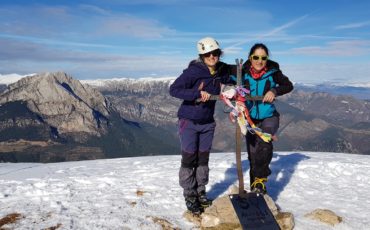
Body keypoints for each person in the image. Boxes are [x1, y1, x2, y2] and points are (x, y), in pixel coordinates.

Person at [169, 37, 231, 214]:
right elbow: (174, 90)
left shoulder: (221, 71)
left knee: (203, 159)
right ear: (202, 55)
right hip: (188, 121)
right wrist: (197, 93)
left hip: (207, 122)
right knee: (189, 159)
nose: (212, 56)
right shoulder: (193, 72)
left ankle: (201, 192)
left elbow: (233, 77)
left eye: (215, 53)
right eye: (208, 54)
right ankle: (189, 194)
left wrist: (231, 89)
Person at [241, 43, 293, 194]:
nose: (259, 61)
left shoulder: (273, 72)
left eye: (263, 58)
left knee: (265, 141)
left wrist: (274, 90)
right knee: (253, 156)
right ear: (250, 58)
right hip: (249, 119)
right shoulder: (242, 72)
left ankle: (260, 183)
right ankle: (255, 190)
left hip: (269, 116)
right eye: (256, 57)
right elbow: (221, 73)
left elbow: (288, 85)